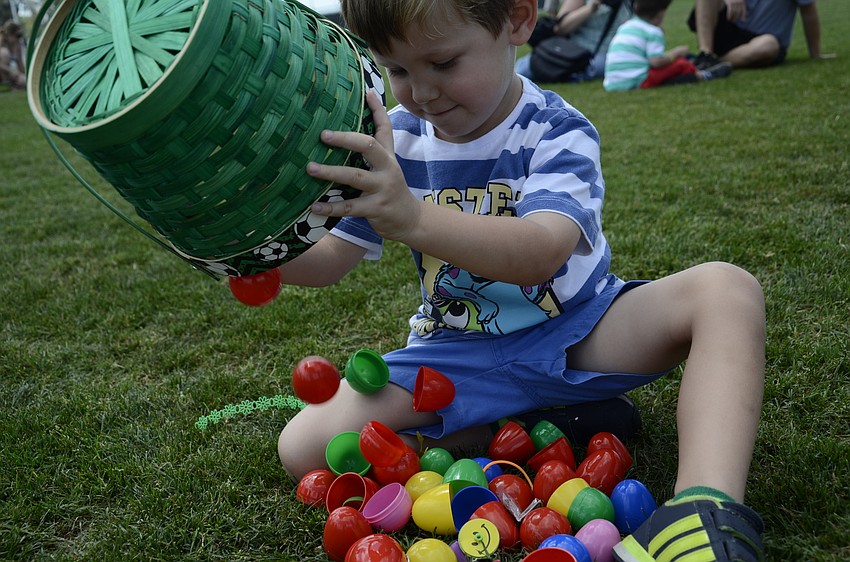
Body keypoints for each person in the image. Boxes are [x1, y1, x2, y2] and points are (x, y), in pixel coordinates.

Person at [277, 0, 767, 560]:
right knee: (303, 446)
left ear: (517, 20)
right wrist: (249, 255)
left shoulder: (556, 129)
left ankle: (700, 510)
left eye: (442, 62)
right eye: (399, 70)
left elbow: (541, 251)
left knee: (725, 291)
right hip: (454, 355)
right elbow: (331, 257)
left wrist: (413, 217)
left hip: (579, 333)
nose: (421, 92)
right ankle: (524, 426)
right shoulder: (396, 142)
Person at [604, 0, 732, 91]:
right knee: (681, 64)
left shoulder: (626, 26)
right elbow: (656, 62)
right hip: (636, 80)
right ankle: (704, 75)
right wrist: (676, 53)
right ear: (661, 13)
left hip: (613, 83)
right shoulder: (652, 31)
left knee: (669, 69)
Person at [688, 0, 828, 69]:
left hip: (762, 41)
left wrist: (815, 53)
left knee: (769, 44)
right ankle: (705, 54)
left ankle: (713, 63)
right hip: (732, 29)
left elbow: (808, 11)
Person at [516, 0, 634, 82]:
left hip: (604, 55)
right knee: (522, 69)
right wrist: (592, 7)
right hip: (572, 50)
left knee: (599, 66)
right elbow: (560, 28)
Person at [0, 20, 26, 90]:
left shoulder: (18, 45)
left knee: (24, 80)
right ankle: (6, 85)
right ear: (8, 34)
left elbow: (20, 65)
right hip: (4, 73)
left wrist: (25, 76)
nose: (19, 38)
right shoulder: (1, 42)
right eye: (17, 35)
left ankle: (12, 86)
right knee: (4, 53)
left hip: (10, 74)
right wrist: (11, 71)